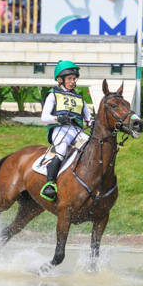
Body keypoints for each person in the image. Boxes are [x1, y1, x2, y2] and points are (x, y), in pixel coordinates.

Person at [40, 61, 94, 201]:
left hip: (76, 130)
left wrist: (93, 123)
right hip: (60, 129)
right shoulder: (53, 95)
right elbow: (44, 117)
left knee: (91, 147)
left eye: (74, 79)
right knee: (62, 149)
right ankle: (50, 184)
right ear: (60, 79)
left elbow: (88, 118)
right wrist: (58, 118)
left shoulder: (79, 98)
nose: (72, 81)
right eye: (69, 78)